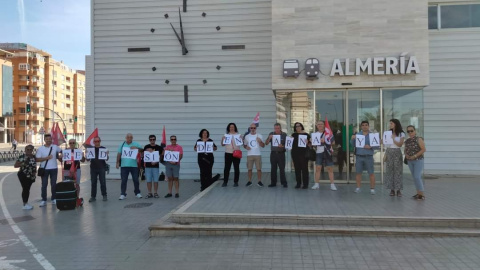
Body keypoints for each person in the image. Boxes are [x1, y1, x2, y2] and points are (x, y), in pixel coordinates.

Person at [351, 121, 377, 195]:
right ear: (361, 126)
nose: (364, 126)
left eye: (366, 125)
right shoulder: (358, 134)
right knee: (358, 173)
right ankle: (358, 188)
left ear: (368, 126)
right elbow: (353, 145)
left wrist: (370, 146)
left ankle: (372, 189)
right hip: (359, 156)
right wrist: (352, 139)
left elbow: (377, 146)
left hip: (368, 157)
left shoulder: (372, 135)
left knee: (371, 173)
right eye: (363, 125)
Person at [36, 134, 62, 206]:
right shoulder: (40, 149)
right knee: (44, 185)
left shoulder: (55, 147)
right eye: (47, 139)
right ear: (44, 140)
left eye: (50, 139)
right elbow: (37, 159)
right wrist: (46, 158)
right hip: (44, 169)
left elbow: (61, 151)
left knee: (53, 184)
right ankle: (44, 199)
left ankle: (53, 198)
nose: (48, 140)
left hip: (54, 168)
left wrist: (60, 155)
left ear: (51, 140)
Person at [311, 121, 337, 191]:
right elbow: (313, 145)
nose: (320, 125)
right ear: (316, 126)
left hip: (327, 152)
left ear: (324, 125)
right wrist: (311, 142)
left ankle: (332, 184)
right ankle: (316, 184)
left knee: (330, 168)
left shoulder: (328, 133)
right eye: (318, 124)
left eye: (321, 124)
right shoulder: (314, 134)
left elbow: (333, 142)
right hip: (319, 152)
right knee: (318, 168)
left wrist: (325, 141)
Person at [116, 133, 143, 200]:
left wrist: (136, 148)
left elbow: (142, 151)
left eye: (131, 137)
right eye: (128, 137)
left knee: (136, 180)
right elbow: (119, 153)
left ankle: (137, 193)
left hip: (134, 166)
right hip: (124, 166)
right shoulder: (122, 145)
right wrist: (117, 162)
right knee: (124, 180)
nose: (129, 138)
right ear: (126, 138)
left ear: (132, 138)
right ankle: (123, 194)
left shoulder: (136, 144)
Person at [384, 119, 405, 197]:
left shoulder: (401, 133)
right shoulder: (388, 133)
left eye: (391, 123)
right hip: (389, 151)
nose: (390, 125)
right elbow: (385, 142)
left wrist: (393, 138)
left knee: (398, 171)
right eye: (390, 123)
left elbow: (400, 144)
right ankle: (392, 189)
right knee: (390, 171)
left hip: (397, 151)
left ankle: (398, 189)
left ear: (396, 124)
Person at [404, 125, 426, 200]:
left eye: (411, 131)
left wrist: (415, 156)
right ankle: (418, 193)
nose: (410, 132)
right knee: (415, 178)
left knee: (417, 176)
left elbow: (423, 149)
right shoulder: (407, 141)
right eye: (408, 131)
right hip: (410, 161)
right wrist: (406, 155)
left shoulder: (419, 139)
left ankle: (421, 194)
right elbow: (405, 150)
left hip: (418, 160)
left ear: (415, 131)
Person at [265, 123, 288, 188]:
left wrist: (282, 145)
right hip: (273, 153)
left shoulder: (284, 135)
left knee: (282, 169)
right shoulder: (271, 134)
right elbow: (266, 143)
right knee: (273, 168)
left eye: (278, 128)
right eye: (275, 128)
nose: (277, 130)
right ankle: (273, 183)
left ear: (280, 128)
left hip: (281, 153)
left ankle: (284, 182)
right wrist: (269, 138)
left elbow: (287, 144)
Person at [14, 145, 37, 210]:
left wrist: (34, 172)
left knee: (27, 188)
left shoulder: (33, 157)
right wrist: (23, 163)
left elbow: (34, 165)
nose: (29, 151)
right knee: (25, 188)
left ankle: (26, 203)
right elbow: (15, 165)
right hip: (23, 174)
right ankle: (25, 204)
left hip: (31, 175)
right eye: (27, 149)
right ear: (25, 150)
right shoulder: (22, 157)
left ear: (32, 150)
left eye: (30, 150)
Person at [87, 136, 108, 202]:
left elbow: (107, 159)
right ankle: (93, 196)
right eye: (95, 141)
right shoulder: (91, 149)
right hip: (93, 168)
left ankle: (104, 195)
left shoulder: (103, 148)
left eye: (98, 141)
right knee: (93, 183)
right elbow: (87, 159)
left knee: (103, 182)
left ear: (100, 141)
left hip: (101, 168)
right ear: (93, 142)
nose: (96, 142)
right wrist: (86, 154)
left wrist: (107, 155)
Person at [221, 123, 242, 187]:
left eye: (233, 127)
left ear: (235, 128)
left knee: (236, 168)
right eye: (230, 127)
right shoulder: (226, 135)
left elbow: (241, 144)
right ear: (228, 128)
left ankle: (236, 182)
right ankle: (225, 182)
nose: (232, 128)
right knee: (227, 168)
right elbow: (222, 144)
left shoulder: (238, 135)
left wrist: (242, 138)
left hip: (236, 153)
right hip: (228, 153)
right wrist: (222, 139)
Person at [291, 122, 310, 189]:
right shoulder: (293, 135)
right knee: (297, 169)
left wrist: (308, 143)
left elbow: (310, 145)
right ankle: (298, 183)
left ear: (301, 126)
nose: (298, 127)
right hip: (295, 154)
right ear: (295, 128)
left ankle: (305, 184)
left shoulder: (306, 135)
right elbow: (290, 144)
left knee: (304, 169)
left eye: (299, 126)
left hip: (304, 154)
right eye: (296, 126)